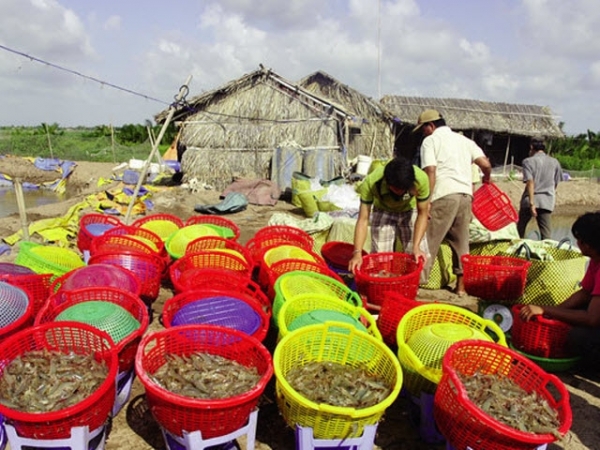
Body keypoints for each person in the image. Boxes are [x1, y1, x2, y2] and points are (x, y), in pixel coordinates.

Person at [414, 109, 492, 296]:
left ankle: (417, 283)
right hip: (465, 196)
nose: (423, 133)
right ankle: (461, 287)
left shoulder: (430, 141)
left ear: (430, 126)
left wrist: (427, 200)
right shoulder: (465, 141)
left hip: (444, 194)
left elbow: (431, 171)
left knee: (429, 240)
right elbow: (486, 164)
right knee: (461, 242)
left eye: (423, 129)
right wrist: (487, 179)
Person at [519, 212, 600, 365]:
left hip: (595, 319)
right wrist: (553, 312)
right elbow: (584, 294)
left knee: (577, 336)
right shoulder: (596, 260)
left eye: (579, 241)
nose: (577, 244)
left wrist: (546, 310)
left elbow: (592, 319)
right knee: (572, 315)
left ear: (587, 244)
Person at [348, 156, 430, 273]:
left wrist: (416, 247)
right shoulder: (371, 182)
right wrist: (357, 253)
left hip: (409, 209)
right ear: (387, 183)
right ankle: (383, 282)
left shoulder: (421, 179)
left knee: (418, 255)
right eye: (396, 189)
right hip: (383, 209)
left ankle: (413, 286)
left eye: (404, 189)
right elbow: (363, 219)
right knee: (380, 258)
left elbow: (422, 214)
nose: (400, 192)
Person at [516, 139, 563, 240]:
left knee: (519, 232)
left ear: (532, 148)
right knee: (546, 235)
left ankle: (516, 253)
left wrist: (532, 203)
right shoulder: (554, 162)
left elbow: (530, 182)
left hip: (529, 200)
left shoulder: (528, 161)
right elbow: (555, 182)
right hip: (546, 201)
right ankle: (546, 254)